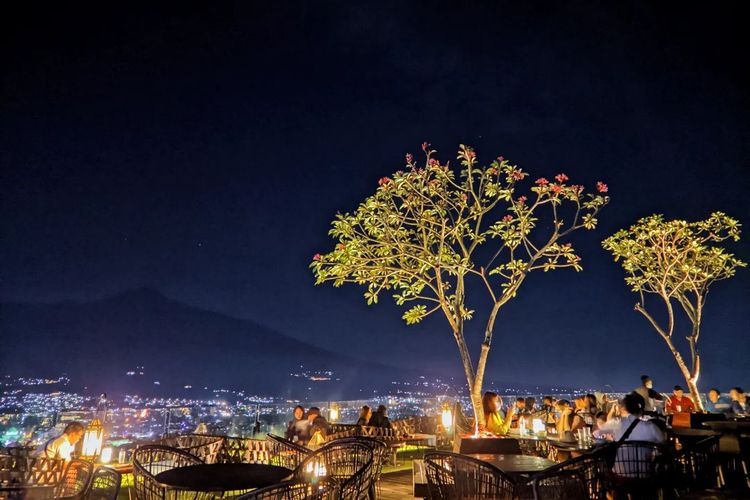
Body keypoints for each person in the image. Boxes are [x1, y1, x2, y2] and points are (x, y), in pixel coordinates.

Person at [594, 393, 665, 443]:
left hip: (620, 464)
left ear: (625, 408)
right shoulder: (650, 426)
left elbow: (596, 433)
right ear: (640, 409)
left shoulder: (617, 425)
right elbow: (662, 442)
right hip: (644, 464)